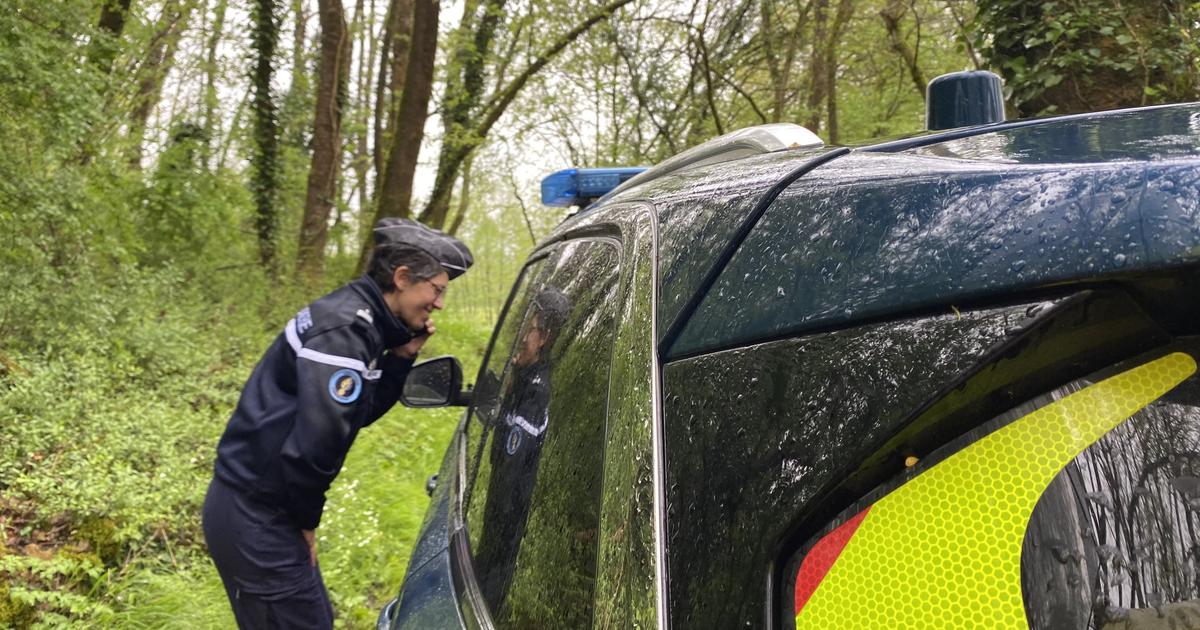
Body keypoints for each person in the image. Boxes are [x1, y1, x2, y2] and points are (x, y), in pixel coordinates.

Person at [202, 218, 472, 629]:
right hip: (257, 516)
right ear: (402, 278)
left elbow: (356, 415)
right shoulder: (345, 331)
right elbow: (316, 445)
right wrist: (306, 523)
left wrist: (401, 358)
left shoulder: (362, 323)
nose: (439, 303)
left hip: (263, 509)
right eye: (436, 289)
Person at [471, 287, 570, 615]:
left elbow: (510, 465)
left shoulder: (536, 392)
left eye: (528, 328)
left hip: (508, 511)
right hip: (496, 508)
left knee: (489, 588)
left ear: (544, 338)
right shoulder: (523, 377)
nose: (519, 335)